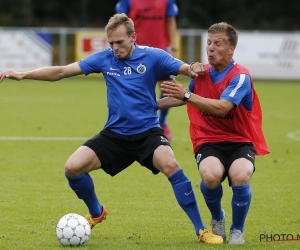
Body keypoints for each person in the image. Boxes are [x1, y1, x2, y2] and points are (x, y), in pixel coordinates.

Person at [0, 14, 223, 244]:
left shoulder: (154, 57)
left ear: (133, 37)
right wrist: (23, 75)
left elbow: (187, 70)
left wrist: (195, 68)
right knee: (72, 168)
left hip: (147, 133)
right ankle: (97, 212)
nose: (115, 48)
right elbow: (61, 72)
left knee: (171, 165)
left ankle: (201, 230)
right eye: (111, 43)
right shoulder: (105, 59)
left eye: (120, 42)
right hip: (114, 135)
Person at [157, 22, 270, 244]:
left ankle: (237, 229)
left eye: (218, 44)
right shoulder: (201, 74)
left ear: (231, 49)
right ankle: (218, 217)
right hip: (209, 139)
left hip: (240, 140)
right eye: (209, 43)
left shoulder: (240, 77)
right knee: (210, 176)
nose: (210, 48)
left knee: (240, 175)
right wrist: (150, 105)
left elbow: (222, 107)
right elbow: (184, 96)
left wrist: (186, 96)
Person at [116, 0, 179, 141]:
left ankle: (161, 122)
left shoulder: (166, 1)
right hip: (135, 53)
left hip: (161, 52)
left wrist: (173, 47)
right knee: (132, 90)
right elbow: (119, 22)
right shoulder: (128, 1)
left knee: (168, 88)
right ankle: (135, 123)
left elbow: (170, 21)